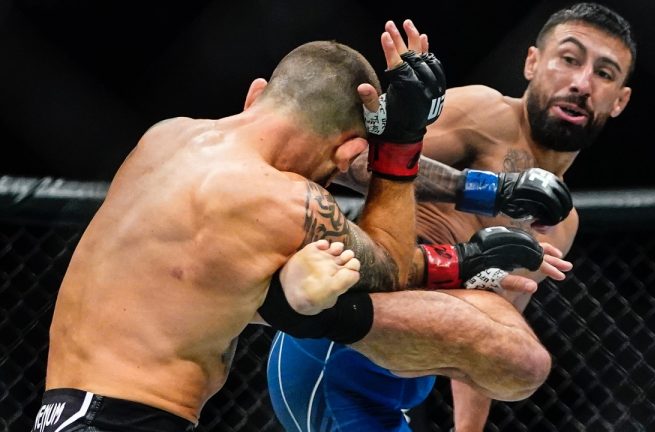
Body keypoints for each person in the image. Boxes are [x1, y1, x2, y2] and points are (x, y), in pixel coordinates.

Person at [32, 18, 568, 432]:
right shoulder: (281, 201)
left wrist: (462, 259)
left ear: (256, 94)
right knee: (518, 359)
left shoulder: (166, 137)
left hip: (59, 411)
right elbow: (389, 267)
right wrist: (402, 138)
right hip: (130, 419)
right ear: (348, 153)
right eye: (340, 172)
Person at [267, 3, 636, 431]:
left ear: (620, 101)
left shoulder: (562, 224)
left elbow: (484, 328)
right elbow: (351, 158)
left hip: (398, 382)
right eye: (569, 60)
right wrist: (482, 189)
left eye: (604, 74)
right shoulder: (488, 116)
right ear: (532, 62)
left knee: (518, 353)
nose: (581, 83)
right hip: (338, 348)